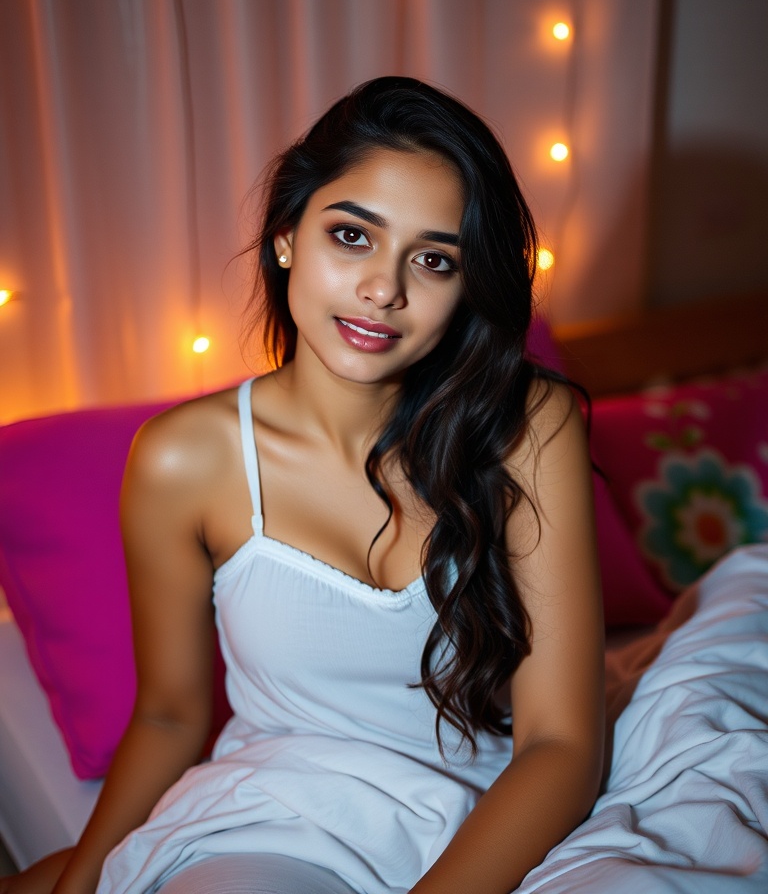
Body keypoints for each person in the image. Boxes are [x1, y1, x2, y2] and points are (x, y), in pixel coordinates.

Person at [2, 77, 604, 894]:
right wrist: (86, 882)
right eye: (352, 237)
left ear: (467, 287)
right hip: (280, 815)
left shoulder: (529, 424)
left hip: (496, 818)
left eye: (432, 260)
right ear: (287, 236)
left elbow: (560, 744)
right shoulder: (187, 458)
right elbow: (171, 715)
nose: (383, 290)